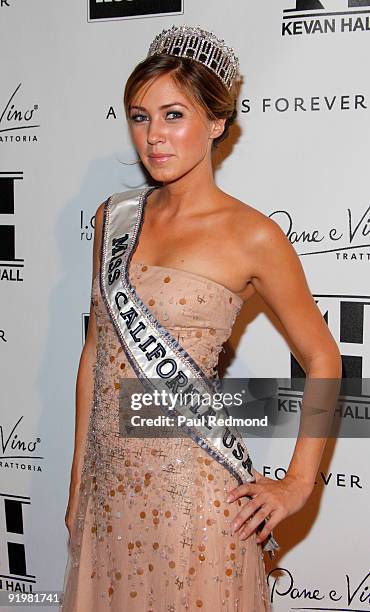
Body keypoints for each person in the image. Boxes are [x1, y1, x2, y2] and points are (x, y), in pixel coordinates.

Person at [60, 25, 342, 611]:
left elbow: (323, 357)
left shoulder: (253, 235)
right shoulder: (111, 218)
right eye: (140, 117)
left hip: (198, 496)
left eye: (173, 115)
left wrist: (297, 485)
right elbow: (94, 357)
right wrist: (77, 484)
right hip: (108, 496)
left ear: (216, 123)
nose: (154, 137)